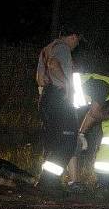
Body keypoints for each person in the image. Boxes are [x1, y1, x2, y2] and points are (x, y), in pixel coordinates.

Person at [35, 27, 82, 191]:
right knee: (67, 140)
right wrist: (68, 84)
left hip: (46, 98)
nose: (77, 45)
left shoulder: (46, 49)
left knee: (52, 142)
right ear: (74, 36)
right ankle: (50, 181)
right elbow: (54, 65)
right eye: (78, 40)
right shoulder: (62, 48)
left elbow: (40, 80)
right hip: (59, 99)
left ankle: (47, 181)